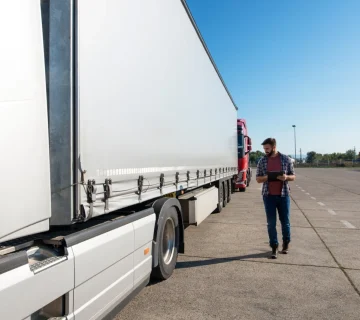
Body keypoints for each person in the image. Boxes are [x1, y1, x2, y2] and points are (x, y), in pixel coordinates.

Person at [256, 138, 296, 259]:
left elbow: (293, 176)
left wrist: (286, 177)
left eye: (267, 148)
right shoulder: (262, 161)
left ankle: (286, 243)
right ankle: (274, 246)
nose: (265, 151)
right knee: (271, 223)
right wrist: (267, 177)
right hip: (268, 197)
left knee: (285, 222)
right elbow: (258, 179)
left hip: (284, 196)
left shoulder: (286, 159)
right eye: (264, 149)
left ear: (274, 147)